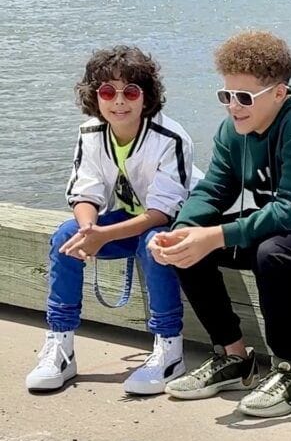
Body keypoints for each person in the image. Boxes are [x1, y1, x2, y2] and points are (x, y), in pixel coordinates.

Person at [150, 30, 291, 418]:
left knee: (272, 253)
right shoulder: (232, 131)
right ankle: (234, 358)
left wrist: (216, 235)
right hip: (286, 228)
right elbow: (214, 189)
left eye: (244, 97)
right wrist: (183, 230)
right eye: (226, 95)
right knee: (189, 248)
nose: (233, 107)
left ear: (279, 93)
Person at [26, 46, 200, 395]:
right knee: (65, 237)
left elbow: (162, 212)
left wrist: (103, 235)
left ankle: (169, 348)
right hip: (126, 218)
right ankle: (60, 346)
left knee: (155, 243)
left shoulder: (171, 138)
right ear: (95, 96)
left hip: (178, 219)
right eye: (108, 92)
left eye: (130, 92)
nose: (119, 101)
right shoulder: (90, 132)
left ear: (146, 96)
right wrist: (89, 230)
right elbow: (85, 192)